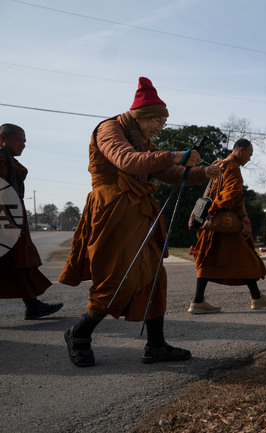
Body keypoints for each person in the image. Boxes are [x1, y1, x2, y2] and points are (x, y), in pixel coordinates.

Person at [59, 77, 222, 367]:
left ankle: (156, 345)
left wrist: (204, 173)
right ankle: (79, 334)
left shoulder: (144, 140)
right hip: (113, 210)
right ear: (142, 115)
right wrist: (175, 155)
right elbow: (128, 161)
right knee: (118, 276)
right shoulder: (109, 129)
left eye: (163, 122)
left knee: (154, 276)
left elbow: (169, 173)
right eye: (157, 120)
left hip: (140, 212)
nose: (160, 127)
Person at [190, 138, 266, 313]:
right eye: (249, 154)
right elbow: (232, 195)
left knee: (210, 261)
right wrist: (243, 219)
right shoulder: (232, 167)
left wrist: (209, 214)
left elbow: (212, 192)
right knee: (246, 259)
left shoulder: (220, 164)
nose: (250, 159)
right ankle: (256, 298)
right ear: (241, 150)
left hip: (213, 223)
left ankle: (198, 301)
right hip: (224, 224)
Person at [0, 123, 63, 319]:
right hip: (6, 222)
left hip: (12, 221)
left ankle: (32, 304)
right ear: (2, 138)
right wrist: (9, 221)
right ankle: (32, 304)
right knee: (18, 262)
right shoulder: (1, 157)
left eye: (24, 141)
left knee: (19, 263)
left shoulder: (8, 158)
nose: (23, 145)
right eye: (18, 140)